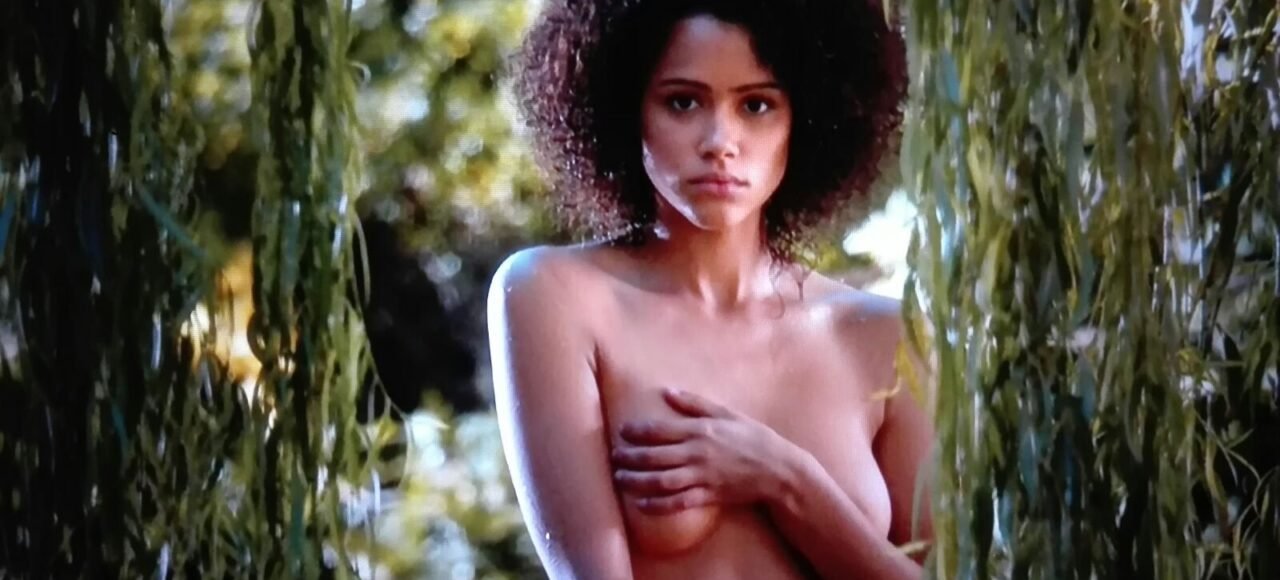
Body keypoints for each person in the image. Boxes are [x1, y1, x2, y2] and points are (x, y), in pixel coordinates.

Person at [486, 0, 933, 578]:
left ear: (806, 116)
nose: (721, 141)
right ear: (624, 107)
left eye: (756, 105)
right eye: (683, 102)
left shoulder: (888, 336)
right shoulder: (554, 296)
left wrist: (785, 479)